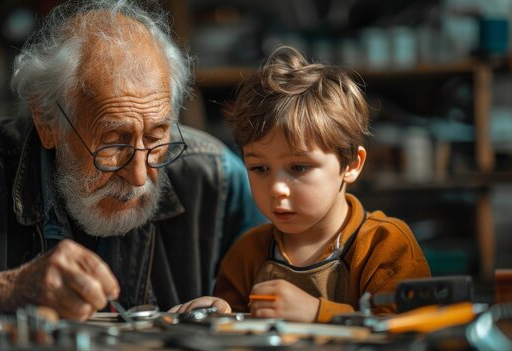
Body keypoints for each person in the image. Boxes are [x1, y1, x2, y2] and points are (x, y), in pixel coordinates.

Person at [0, 0, 265, 321]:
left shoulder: (217, 178)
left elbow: (293, 282)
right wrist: (12, 287)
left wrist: (232, 310)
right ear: (47, 121)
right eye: (113, 142)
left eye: (156, 137)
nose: (140, 176)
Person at [172, 46, 431, 323]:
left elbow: (414, 329)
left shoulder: (385, 245)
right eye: (259, 168)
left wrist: (319, 313)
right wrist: (219, 313)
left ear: (352, 164)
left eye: (299, 167)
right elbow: (236, 329)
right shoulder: (247, 254)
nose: (276, 189)